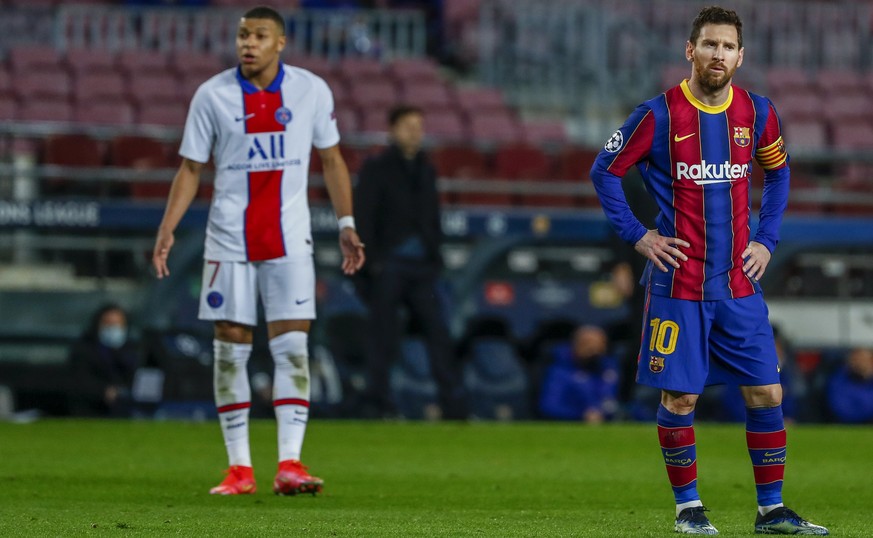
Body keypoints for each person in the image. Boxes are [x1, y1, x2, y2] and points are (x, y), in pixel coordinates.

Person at [590, 6, 828, 535]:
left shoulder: (759, 113)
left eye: (727, 47)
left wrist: (767, 238)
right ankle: (688, 510)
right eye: (709, 45)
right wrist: (639, 235)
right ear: (689, 50)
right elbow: (604, 170)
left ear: (740, 57)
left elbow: (780, 173)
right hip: (679, 284)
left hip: (740, 286)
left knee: (768, 393)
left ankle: (771, 511)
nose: (718, 55)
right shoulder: (656, 116)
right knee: (681, 398)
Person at [151, 6, 365, 496]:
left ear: (281, 42)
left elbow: (331, 159)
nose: (247, 43)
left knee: (292, 348)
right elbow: (189, 169)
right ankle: (239, 469)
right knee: (230, 350)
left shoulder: (310, 90)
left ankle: (290, 463)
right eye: (242, 34)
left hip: (290, 237)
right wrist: (168, 227)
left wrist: (347, 223)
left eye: (259, 35)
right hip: (228, 238)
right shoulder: (212, 95)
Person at [353, 104, 467, 419]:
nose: (415, 132)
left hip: (423, 267)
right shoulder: (376, 168)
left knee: (439, 334)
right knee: (383, 337)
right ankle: (377, 401)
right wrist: (372, 262)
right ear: (392, 130)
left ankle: (453, 404)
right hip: (389, 264)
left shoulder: (426, 169)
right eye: (408, 126)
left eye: (419, 125)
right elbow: (364, 215)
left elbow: (432, 217)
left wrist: (435, 254)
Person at [68, 304, 142, 417]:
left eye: (117, 324)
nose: (113, 329)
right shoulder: (84, 349)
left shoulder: (133, 349)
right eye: (108, 324)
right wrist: (103, 391)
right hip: (92, 409)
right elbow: (80, 380)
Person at [538, 325, 619, 423]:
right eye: (587, 344)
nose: (594, 350)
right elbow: (549, 406)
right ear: (575, 344)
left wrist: (604, 412)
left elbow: (611, 400)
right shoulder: (560, 371)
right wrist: (581, 414)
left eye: (599, 344)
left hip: (606, 423)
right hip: (571, 423)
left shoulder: (609, 369)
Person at [826, 347, 873, 424]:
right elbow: (840, 407)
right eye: (856, 359)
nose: (859, 363)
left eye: (863, 359)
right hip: (844, 424)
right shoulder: (839, 378)